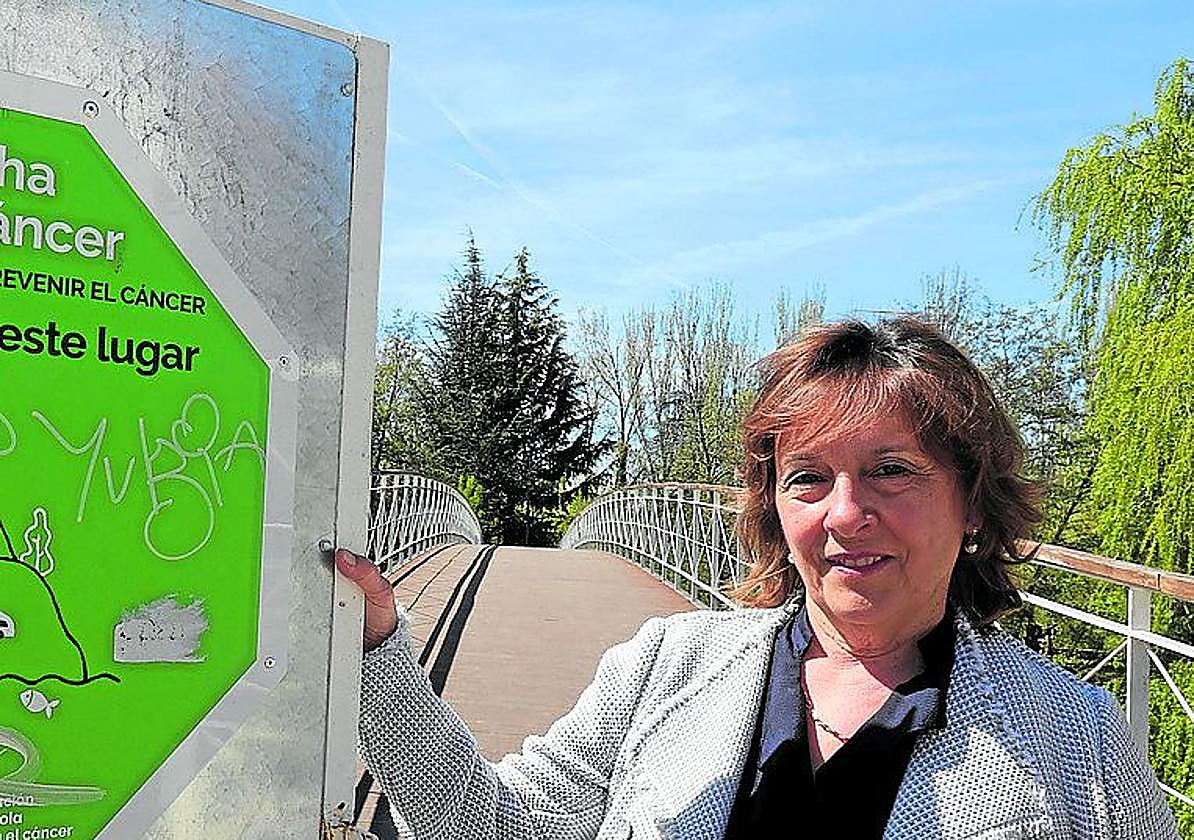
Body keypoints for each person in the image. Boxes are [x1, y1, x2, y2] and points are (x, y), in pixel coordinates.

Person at [337, 317, 1179, 839]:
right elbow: (494, 829)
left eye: (891, 470)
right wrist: (379, 654)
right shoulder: (665, 668)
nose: (846, 514)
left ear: (972, 503)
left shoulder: (1078, 740)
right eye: (808, 477)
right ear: (773, 506)